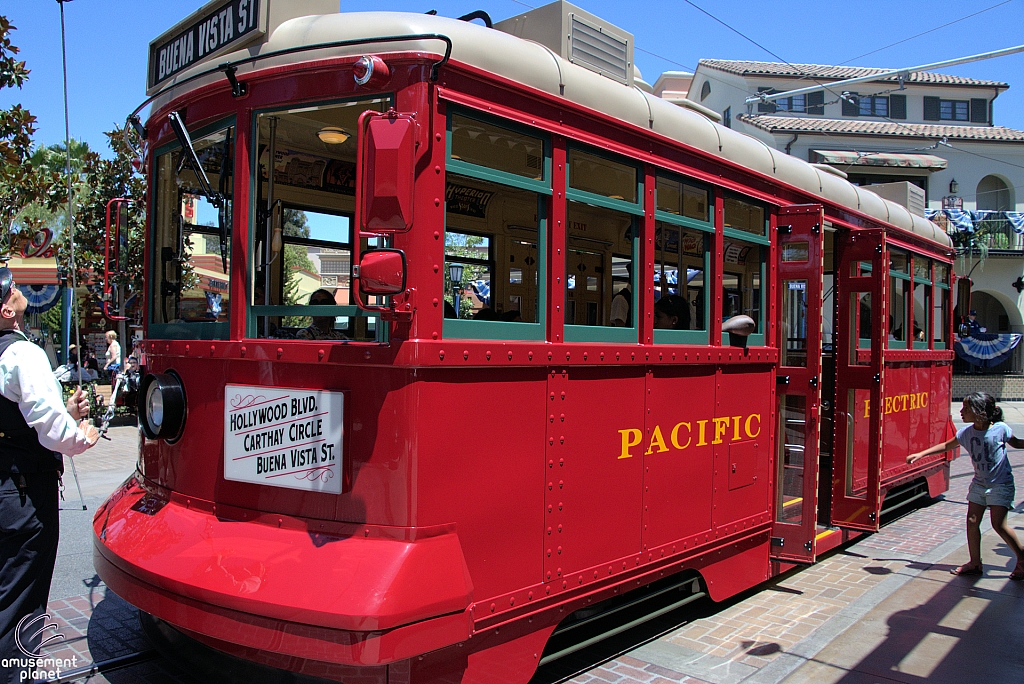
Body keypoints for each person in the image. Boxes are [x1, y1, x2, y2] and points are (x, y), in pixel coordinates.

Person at [0, 268, 98, 681]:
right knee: (21, 602)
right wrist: (80, 435)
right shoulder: (24, 353)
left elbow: (24, 415)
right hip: (23, 495)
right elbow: (51, 428)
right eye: (12, 288)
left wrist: (65, 412)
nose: (19, 289)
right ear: (7, 308)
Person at [908, 392, 1024, 579]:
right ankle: (975, 563)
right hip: (979, 484)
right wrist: (921, 454)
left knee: (998, 524)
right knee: (972, 522)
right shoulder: (966, 433)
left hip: (1001, 484)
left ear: (979, 412)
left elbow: (1016, 443)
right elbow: (947, 445)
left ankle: (1022, 557)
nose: (961, 412)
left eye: (966, 409)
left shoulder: (1000, 429)